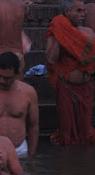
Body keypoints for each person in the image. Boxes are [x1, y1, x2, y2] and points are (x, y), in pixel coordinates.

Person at [46, 0, 95, 145]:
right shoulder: (57, 31)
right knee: (67, 133)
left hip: (86, 88)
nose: (82, 14)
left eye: (83, 11)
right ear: (67, 12)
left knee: (85, 131)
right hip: (67, 88)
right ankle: (68, 164)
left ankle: (82, 164)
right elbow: (51, 59)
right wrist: (59, 36)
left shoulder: (88, 32)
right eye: (78, 11)